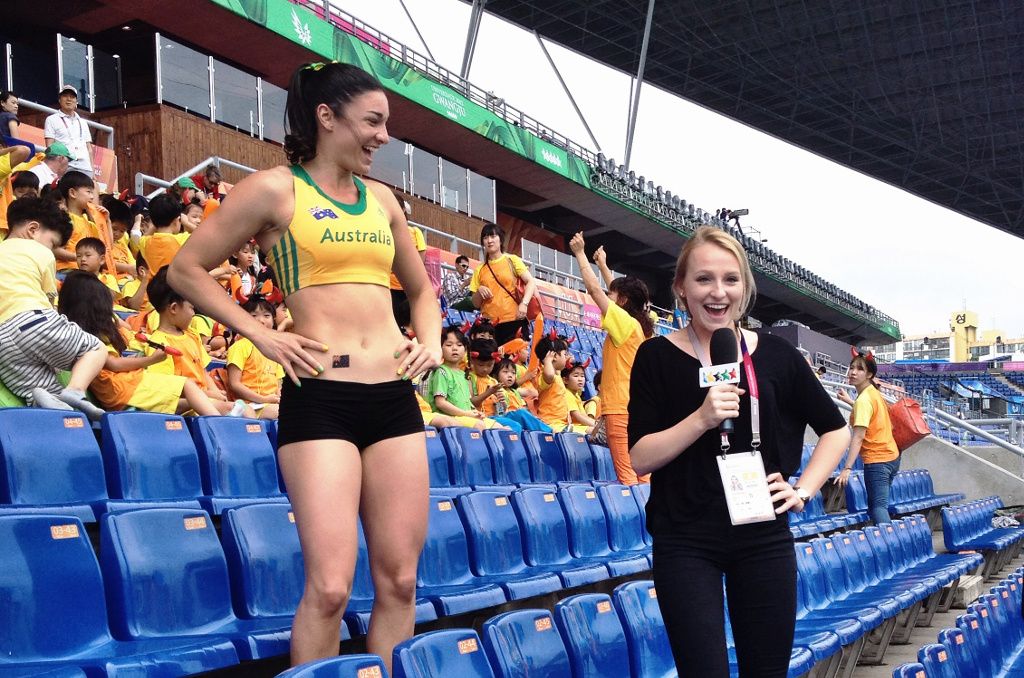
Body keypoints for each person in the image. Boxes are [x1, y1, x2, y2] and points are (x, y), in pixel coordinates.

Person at [167, 62, 440, 671]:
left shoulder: (383, 200)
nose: (384, 136)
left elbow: (422, 291)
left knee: (400, 581)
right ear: (326, 117)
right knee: (331, 588)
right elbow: (184, 270)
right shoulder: (274, 190)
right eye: (373, 122)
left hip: (394, 399)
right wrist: (260, 334)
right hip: (321, 401)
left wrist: (428, 342)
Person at [627, 226, 850, 677]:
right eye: (703, 279)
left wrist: (803, 490)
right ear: (681, 288)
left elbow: (836, 430)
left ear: (745, 288)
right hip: (686, 540)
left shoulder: (779, 355)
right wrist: (701, 419)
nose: (718, 292)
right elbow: (640, 457)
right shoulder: (655, 356)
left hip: (763, 536)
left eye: (730, 279)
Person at [56, 271, 224, 416]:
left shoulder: (81, 336)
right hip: (123, 389)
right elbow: (114, 364)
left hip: (125, 387)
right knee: (186, 385)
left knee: (192, 398)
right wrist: (150, 360)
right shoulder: (93, 340)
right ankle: (218, 424)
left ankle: (218, 419)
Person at [0, 197, 106, 419]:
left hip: (3, 343)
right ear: (32, 230)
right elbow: (50, 301)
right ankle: (75, 391)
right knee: (95, 349)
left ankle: (46, 401)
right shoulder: (39, 252)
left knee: (39, 389)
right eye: (53, 243)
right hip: (33, 319)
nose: (53, 250)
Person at [569, 232, 652, 484]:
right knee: (643, 476)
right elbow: (618, 292)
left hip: (619, 410)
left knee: (627, 478)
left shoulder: (624, 323)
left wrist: (580, 253)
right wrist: (603, 265)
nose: (609, 297)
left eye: (613, 296)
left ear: (623, 301)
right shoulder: (638, 325)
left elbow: (595, 291)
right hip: (636, 409)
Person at [143, 268, 252, 418]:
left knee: (245, 410)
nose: (193, 313)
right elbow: (169, 391)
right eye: (191, 308)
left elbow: (203, 372)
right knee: (241, 411)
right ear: (174, 308)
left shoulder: (192, 335)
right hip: (186, 407)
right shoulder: (159, 344)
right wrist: (208, 395)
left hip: (206, 400)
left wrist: (216, 393)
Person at [834, 351, 900, 525]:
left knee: (878, 508)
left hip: (878, 460)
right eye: (851, 367)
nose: (853, 372)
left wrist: (847, 468)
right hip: (891, 456)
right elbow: (868, 412)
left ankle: (888, 540)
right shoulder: (872, 393)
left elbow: (858, 437)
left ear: (869, 374)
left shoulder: (864, 400)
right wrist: (850, 402)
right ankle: (882, 538)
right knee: (876, 507)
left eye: (860, 369)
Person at [469, 222, 537, 345]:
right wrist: (479, 291)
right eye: (485, 237)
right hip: (490, 326)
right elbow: (475, 303)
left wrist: (524, 303)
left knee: (515, 357)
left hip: (514, 320)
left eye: (493, 236)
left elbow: (530, 282)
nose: (489, 240)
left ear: (500, 240)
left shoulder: (512, 260)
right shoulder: (479, 269)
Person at [226, 298, 285, 419]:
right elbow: (234, 384)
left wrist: (279, 397)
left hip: (271, 403)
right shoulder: (240, 347)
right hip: (250, 405)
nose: (261, 320)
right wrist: (263, 399)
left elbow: (278, 386)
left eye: (266, 316)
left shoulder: (275, 351)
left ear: (273, 320)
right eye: (253, 315)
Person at [134, 194, 189, 276]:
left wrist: (156, 222)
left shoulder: (145, 242)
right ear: (177, 220)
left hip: (153, 283)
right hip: (174, 283)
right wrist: (187, 223)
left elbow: (146, 235)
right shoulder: (183, 239)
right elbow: (204, 237)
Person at [43, 85, 93, 175]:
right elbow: (50, 146)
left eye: (72, 97)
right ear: (59, 100)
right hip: (65, 165)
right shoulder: (51, 119)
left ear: (76, 101)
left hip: (85, 167)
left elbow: (89, 149)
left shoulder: (83, 122)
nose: (68, 99)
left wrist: (92, 171)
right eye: (65, 96)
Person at [534, 332, 571, 432]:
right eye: (564, 354)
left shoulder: (557, 375)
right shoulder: (545, 375)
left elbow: (556, 370)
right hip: (550, 423)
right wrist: (548, 361)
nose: (566, 357)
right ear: (554, 356)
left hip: (561, 423)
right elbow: (549, 375)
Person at [563, 361, 595, 433]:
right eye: (576, 376)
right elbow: (578, 416)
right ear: (565, 380)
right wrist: (597, 425)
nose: (580, 379)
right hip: (571, 427)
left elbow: (584, 416)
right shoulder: (567, 394)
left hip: (580, 426)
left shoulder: (576, 395)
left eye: (582, 376)